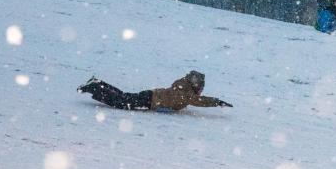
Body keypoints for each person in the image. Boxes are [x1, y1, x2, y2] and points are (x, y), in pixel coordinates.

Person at [78, 70, 232, 111]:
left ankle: (97, 83)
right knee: (120, 102)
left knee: (123, 97)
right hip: (149, 100)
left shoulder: (183, 87)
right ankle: (94, 87)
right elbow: (198, 101)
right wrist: (216, 102)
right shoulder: (185, 93)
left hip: (151, 97)